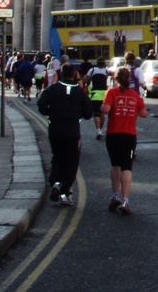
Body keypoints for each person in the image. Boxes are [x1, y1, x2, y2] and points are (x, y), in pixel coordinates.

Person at [37, 62, 92, 207]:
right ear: (74, 74)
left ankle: (55, 181)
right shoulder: (80, 92)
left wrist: (51, 113)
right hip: (72, 131)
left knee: (57, 157)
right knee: (71, 161)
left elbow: (41, 106)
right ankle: (65, 192)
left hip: (55, 128)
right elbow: (88, 113)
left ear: (61, 73)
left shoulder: (52, 89)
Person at [101, 66, 148, 214]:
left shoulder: (111, 92)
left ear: (116, 79)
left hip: (114, 134)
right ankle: (125, 200)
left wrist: (106, 106)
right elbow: (144, 113)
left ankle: (115, 195)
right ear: (129, 79)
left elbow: (105, 109)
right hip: (129, 135)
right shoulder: (134, 95)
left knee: (115, 165)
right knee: (127, 166)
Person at [85, 58, 111, 140]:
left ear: (97, 63)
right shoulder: (106, 71)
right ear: (104, 64)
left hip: (95, 94)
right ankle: (101, 130)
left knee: (96, 113)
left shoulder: (92, 70)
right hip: (104, 94)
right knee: (102, 113)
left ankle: (98, 130)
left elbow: (85, 79)